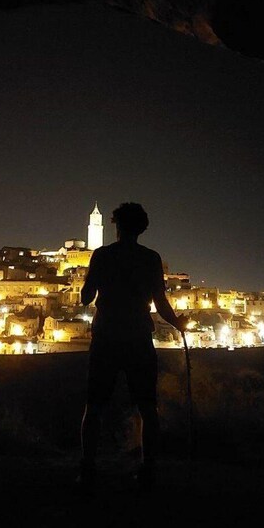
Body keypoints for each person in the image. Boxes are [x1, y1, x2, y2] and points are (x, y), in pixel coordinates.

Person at [78, 202, 185, 491]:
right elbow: (161, 304)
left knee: (95, 406)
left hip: (107, 336)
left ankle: (88, 469)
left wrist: (89, 285)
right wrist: (178, 324)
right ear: (142, 228)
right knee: (148, 407)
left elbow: (85, 298)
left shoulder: (102, 255)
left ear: (115, 225)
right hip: (138, 336)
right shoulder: (151, 259)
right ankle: (148, 469)